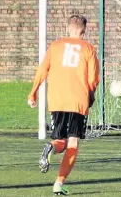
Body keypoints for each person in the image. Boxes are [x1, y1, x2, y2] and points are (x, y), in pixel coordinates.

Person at [28, 15, 99, 196]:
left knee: (60, 139)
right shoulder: (88, 48)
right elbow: (93, 80)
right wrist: (91, 95)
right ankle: (59, 184)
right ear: (83, 31)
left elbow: (42, 70)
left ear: (68, 28)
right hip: (77, 100)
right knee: (73, 143)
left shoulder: (55, 46)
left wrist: (33, 92)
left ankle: (51, 146)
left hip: (57, 100)